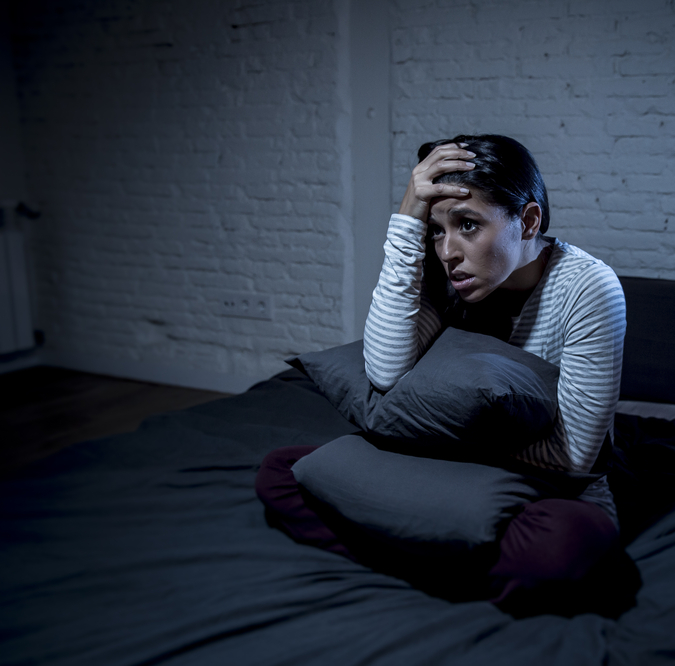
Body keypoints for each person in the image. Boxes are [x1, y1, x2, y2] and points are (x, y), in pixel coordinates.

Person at [257, 134, 637, 617]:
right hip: (436, 471)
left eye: (468, 225)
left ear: (528, 220)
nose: (448, 251)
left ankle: (409, 555)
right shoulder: (441, 276)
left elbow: (577, 457)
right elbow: (384, 369)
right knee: (281, 475)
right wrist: (407, 216)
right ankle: (448, 566)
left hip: (538, 482)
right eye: (436, 230)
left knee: (568, 548)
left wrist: (443, 437)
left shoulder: (587, 287)